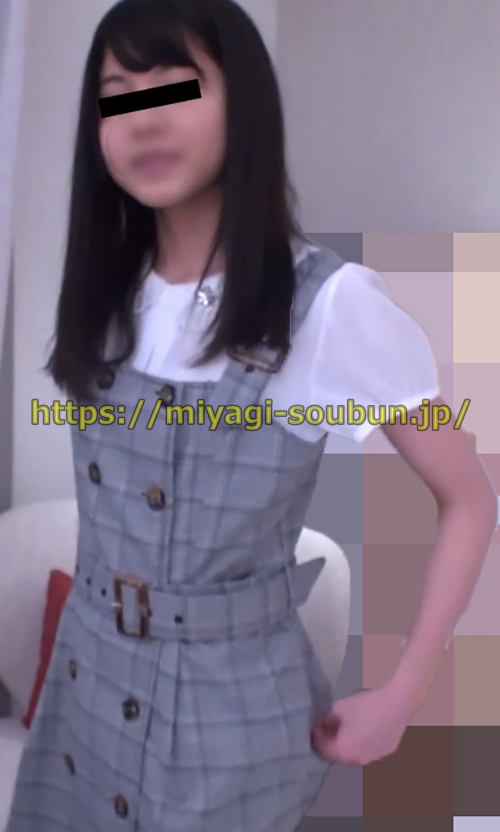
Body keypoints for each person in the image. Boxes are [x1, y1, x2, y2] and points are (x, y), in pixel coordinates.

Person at [7, 0, 498, 829]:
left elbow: (469, 497)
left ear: (247, 103)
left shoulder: (330, 306)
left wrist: (407, 692)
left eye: (176, 87)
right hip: (80, 700)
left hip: (227, 736)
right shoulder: (106, 290)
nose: (144, 119)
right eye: (118, 98)